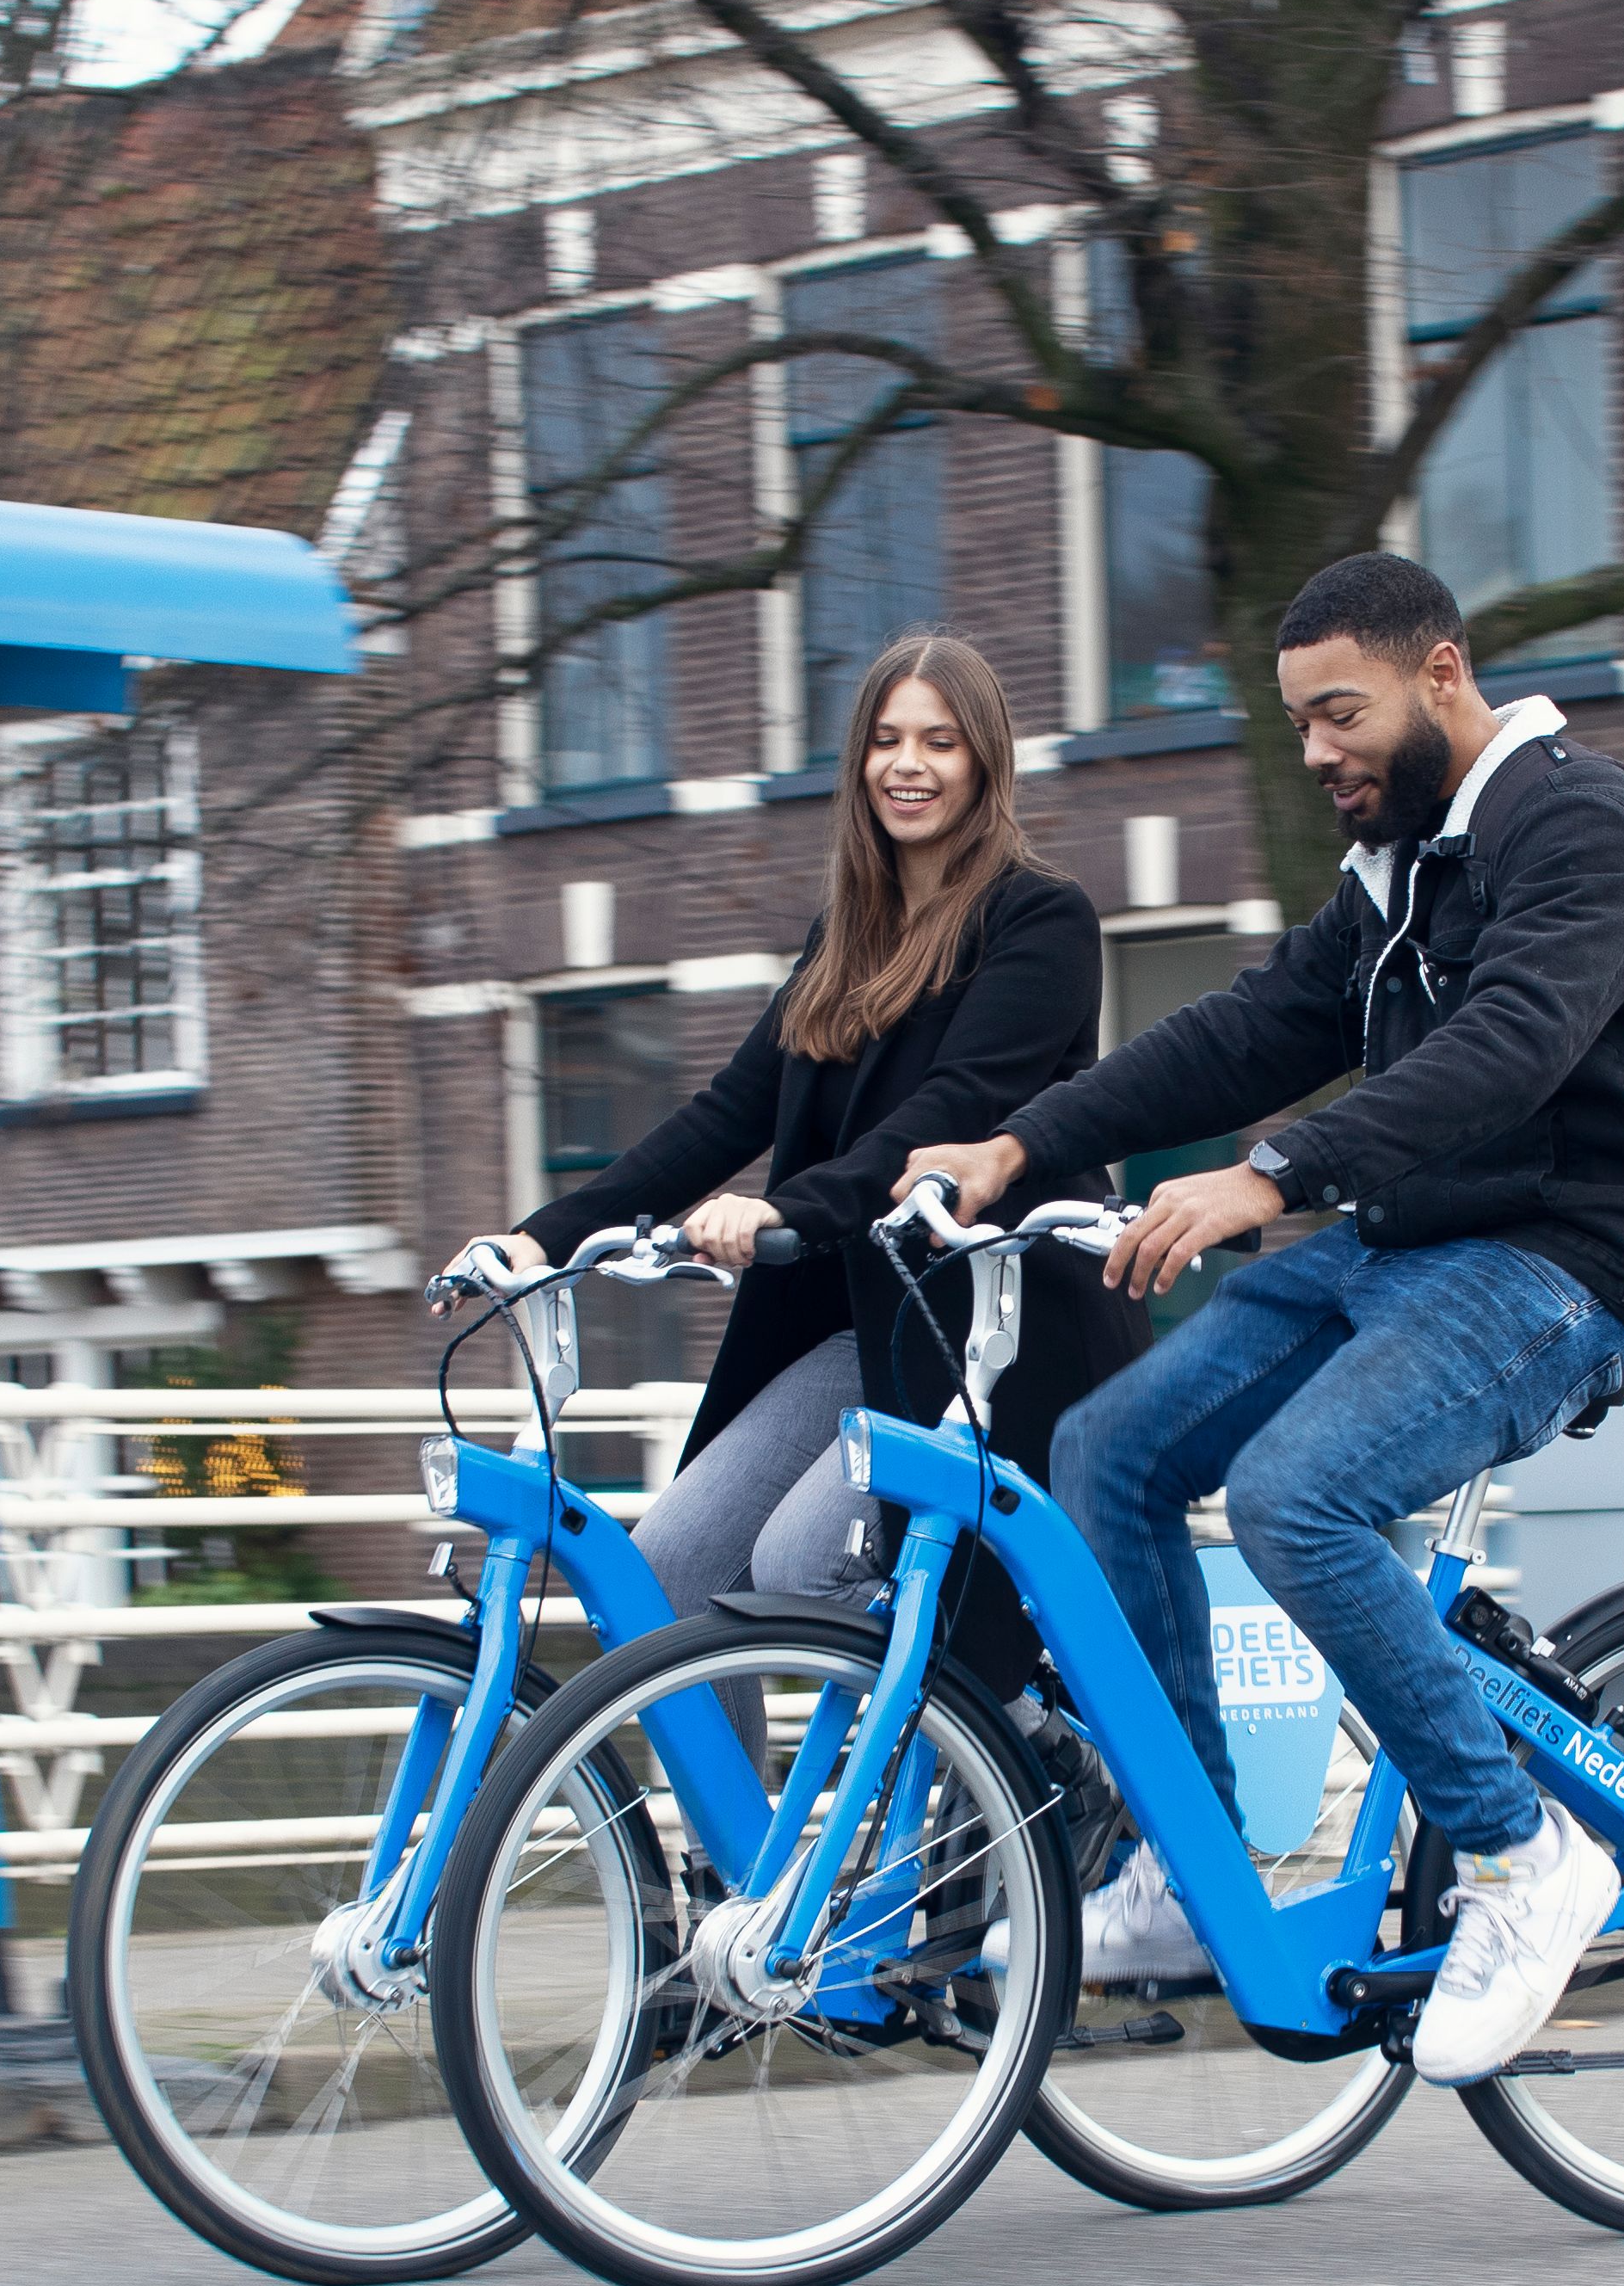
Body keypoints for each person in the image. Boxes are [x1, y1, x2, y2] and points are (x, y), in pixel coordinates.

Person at [900, 552, 1624, 2086]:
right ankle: (1190, 1867)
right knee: (1106, 1452)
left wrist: (1275, 1175)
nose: (1318, 751)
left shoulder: (1582, 827)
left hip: (1575, 1262)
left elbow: (1514, 1045)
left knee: (1302, 1492)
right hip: (1410, 1241)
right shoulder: (1402, 868)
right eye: (1296, 724)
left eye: (1338, 713)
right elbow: (1253, 1028)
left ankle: (1522, 1856)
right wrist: (1020, 1144)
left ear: (1442, 674)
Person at [467, 635, 1134, 1693]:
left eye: (938, 742)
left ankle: (1001, 1759)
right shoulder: (848, 938)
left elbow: (949, 1112)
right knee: (669, 1569)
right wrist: (543, 1236)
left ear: (984, 762)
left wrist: (788, 1211)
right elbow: (727, 1111)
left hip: (995, 1328)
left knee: (797, 1562)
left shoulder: (1039, 918)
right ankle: (743, 1856)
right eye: (885, 740)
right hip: (868, 1321)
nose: (906, 765)